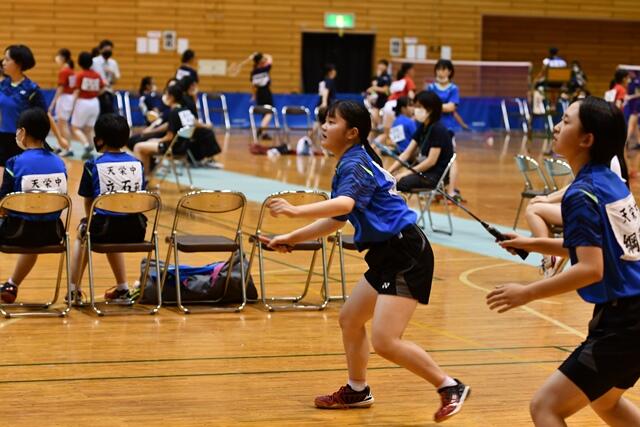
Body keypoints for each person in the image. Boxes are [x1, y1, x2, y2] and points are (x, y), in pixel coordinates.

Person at [265, 100, 470, 423]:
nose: (324, 127)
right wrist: (292, 237)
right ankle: (357, 390)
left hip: (405, 253)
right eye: (325, 121)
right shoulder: (350, 162)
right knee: (350, 319)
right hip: (386, 255)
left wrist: (294, 211)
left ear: (352, 132)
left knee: (385, 341)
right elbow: (337, 219)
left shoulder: (356, 163)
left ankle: (450, 386)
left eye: (332, 122)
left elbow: (343, 204)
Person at [487, 96, 640, 426]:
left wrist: (527, 292)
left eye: (566, 121)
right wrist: (532, 243)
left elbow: (591, 268)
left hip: (625, 322)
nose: (556, 127)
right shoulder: (611, 181)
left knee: (545, 407)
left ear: (587, 139)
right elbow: (599, 249)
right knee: (606, 402)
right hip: (631, 315)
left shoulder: (581, 194)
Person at [69, 114, 146, 303]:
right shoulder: (138, 164)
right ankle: (122, 288)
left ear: (99, 139)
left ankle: (73, 290)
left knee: (83, 233)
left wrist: (89, 221)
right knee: (114, 223)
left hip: (105, 229)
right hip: (137, 229)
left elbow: (89, 202)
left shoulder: (92, 165)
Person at [0, 108, 67, 303]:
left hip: (17, 233)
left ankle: (11, 284)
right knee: (35, 231)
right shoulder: (60, 163)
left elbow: (3, 204)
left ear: (22, 132)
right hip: (52, 233)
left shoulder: (15, 162)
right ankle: (12, 284)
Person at [0, 44, 68, 172]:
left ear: (18, 64)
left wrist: (59, 138)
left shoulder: (31, 89)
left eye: (7, 59)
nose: (3, 62)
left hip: (22, 140)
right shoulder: (3, 85)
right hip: (2, 138)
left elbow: (45, 114)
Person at [387, 91, 454, 192]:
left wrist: (406, 173)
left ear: (430, 110)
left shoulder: (438, 129)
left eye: (419, 107)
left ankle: (399, 203)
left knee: (401, 182)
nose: (415, 110)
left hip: (434, 176)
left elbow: (431, 161)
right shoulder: (423, 127)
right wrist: (389, 172)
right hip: (424, 172)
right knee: (392, 178)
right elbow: (406, 153)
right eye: (415, 106)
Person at [426, 60, 463, 201]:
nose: (441, 72)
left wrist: (435, 106)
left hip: (447, 128)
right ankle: (435, 188)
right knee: (432, 158)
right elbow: (428, 106)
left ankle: (451, 190)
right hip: (433, 127)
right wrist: (442, 106)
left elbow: (451, 107)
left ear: (449, 71)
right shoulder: (431, 87)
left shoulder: (453, 88)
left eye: (444, 69)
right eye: (438, 69)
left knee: (451, 159)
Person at [71, 51, 105, 160]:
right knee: (89, 129)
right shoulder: (97, 75)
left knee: (75, 128)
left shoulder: (80, 75)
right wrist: (95, 93)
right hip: (95, 103)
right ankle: (94, 148)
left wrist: (71, 106)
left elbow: (77, 91)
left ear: (80, 62)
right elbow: (103, 87)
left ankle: (86, 145)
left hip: (83, 102)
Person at [48, 48, 74, 156]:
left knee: (63, 124)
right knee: (60, 123)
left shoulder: (64, 71)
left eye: (57, 56)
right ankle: (60, 145)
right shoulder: (71, 70)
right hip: (68, 98)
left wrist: (53, 103)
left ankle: (68, 148)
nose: (56, 59)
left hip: (64, 98)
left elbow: (61, 89)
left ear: (63, 58)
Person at [91, 39, 120, 115]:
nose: (108, 52)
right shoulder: (94, 62)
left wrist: (112, 73)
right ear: (101, 50)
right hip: (96, 93)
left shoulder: (113, 63)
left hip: (109, 92)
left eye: (110, 50)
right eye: (106, 50)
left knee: (108, 115)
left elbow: (115, 80)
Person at [250, 52, 274, 140]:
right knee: (269, 112)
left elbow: (253, 86)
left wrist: (253, 95)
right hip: (266, 92)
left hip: (258, 94)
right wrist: (261, 54)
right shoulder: (265, 69)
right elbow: (270, 58)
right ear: (260, 61)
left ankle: (264, 133)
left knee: (264, 113)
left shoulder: (253, 72)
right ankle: (261, 129)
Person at [367, 59, 392, 130]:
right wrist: (371, 91)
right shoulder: (378, 77)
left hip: (385, 100)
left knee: (381, 120)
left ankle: (381, 128)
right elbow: (374, 88)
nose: (380, 66)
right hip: (377, 101)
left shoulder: (387, 77)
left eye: (382, 65)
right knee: (374, 118)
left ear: (386, 67)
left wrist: (374, 88)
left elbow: (385, 89)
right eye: (379, 64)